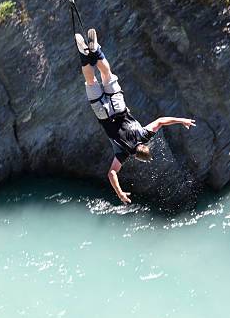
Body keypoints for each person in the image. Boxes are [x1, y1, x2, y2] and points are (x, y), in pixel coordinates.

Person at [75, 29, 195, 204]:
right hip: (104, 114)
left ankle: (95, 51)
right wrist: (120, 193)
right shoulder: (122, 153)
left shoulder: (145, 135)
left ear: (145, 146)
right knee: (91, 82)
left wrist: (181, 120)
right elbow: (112, 173)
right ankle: (85, 55)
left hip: (119, 106)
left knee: (106, 76)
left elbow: (161, 121)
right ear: (136, 156)